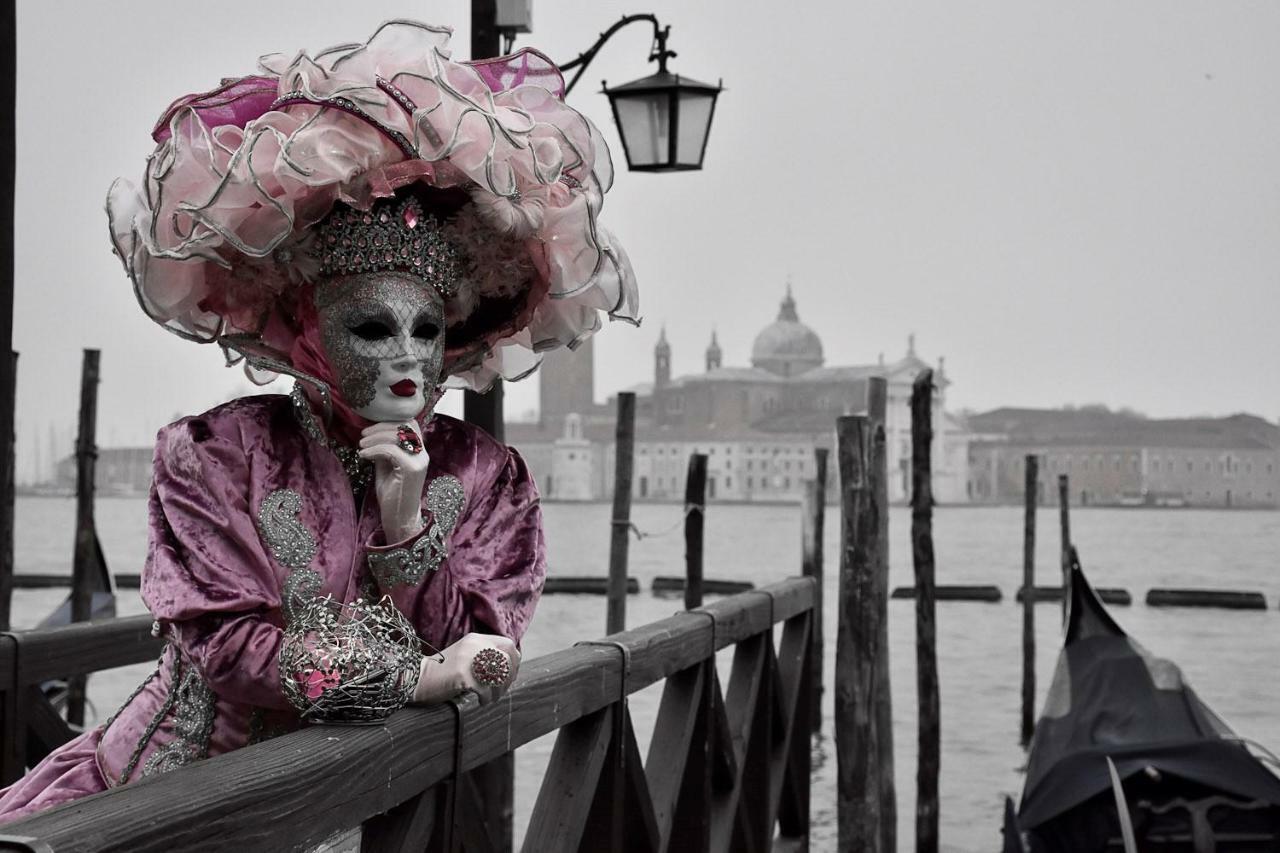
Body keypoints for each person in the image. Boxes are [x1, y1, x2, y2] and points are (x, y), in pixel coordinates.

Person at [0, 20, 637, 822]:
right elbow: (229, 651)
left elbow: (484, 646)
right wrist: (417, 678)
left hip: (360, 813)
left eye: (428, 329)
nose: (408, 357)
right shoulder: (220, 452)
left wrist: (407, 528)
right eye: (371, 328)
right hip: (169, 803)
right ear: (309, 329)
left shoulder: (485, 477)